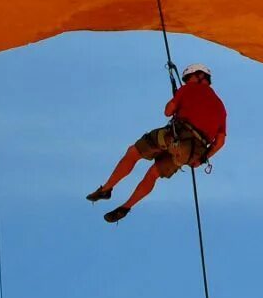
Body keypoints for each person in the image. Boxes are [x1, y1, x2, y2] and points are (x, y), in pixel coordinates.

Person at [86, 63, 228, 223]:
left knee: (134, 152)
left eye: (188, 78)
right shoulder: (221, 107)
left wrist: (177, 99)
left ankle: (106, 189)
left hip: (175, 136)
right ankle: (126, 207)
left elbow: (168, 111)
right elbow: (220, 141)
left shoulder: (189, 89)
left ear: (199, 76)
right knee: (153, 174)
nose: (187, 81)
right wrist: (202, 159)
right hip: (190, 153)